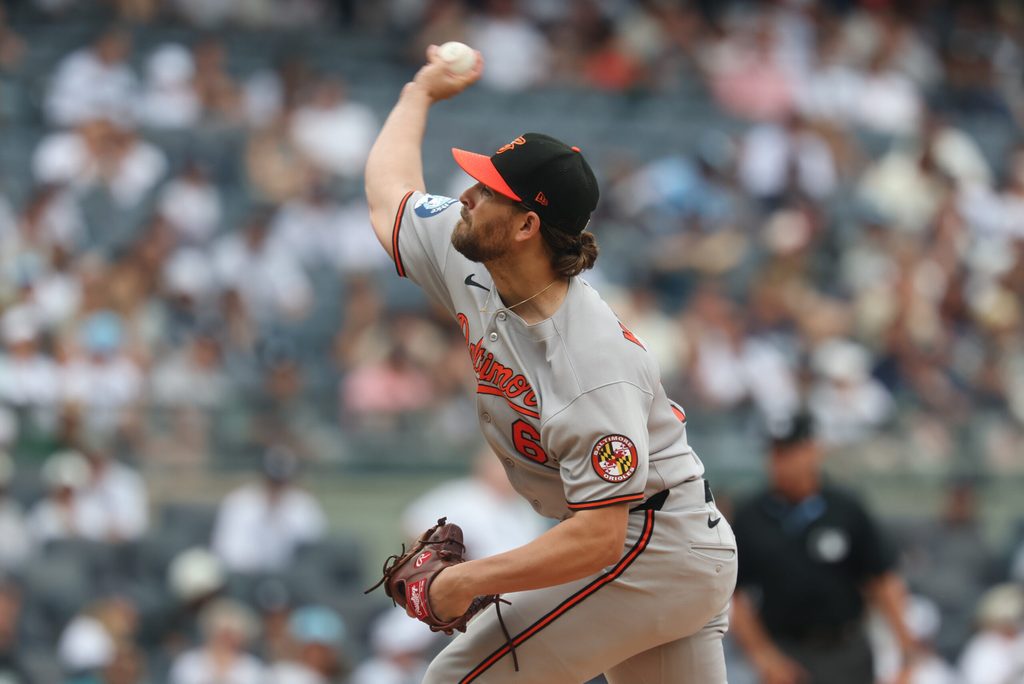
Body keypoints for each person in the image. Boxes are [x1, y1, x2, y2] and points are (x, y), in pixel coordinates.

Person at [363, 45, 737, 683]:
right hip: (653, 543)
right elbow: (386, 198)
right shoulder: (474, 255)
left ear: (526, 226)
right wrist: (418, 94)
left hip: (650, 547)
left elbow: (596, 539)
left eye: (489, 190)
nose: (468, 195)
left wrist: (463, 583)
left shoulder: (589, 358)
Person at [729, 412, 916, 684]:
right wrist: (764, 657)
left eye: (791, 450)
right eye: (776, 452)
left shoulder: (846, 509)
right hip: (786, 653)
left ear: (813, 450)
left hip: (846, 650)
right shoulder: (750, 516)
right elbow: (736, 597)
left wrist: (907, 651)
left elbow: (883, 581)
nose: (782, 462)